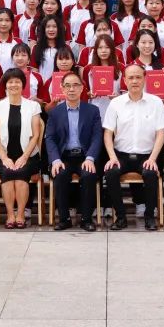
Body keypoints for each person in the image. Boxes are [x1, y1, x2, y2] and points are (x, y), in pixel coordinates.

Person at [102, 63, 164, 231]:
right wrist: (112, 157)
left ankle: (149, 216)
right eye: (130, 77)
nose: (134, 81)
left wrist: (153, 158)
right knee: (110, 173)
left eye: (138, 77)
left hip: (147, 155)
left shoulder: (156, 102)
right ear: (124, 80)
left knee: (150, 173)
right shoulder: (116, 103)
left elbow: (161, 133)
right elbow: (108, 133)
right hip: (121, 155)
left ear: (145, 79)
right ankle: (121, 217)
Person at [46, 71, 103, 231]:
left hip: (85, 156)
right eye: (68, 86)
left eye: (75, 85)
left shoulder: (92, 110)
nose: (71, 89)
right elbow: (50, 138)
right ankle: (64, 219)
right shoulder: (55, 112)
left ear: (82, 88)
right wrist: (55, 160)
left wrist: (90, 158)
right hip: (64, 157)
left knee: (89, 175)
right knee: (60, 174)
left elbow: (97, 137)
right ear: (62, 88)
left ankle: (86, 219)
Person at [0, 68, 44, 228]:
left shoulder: (33, 106)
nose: (14, 84)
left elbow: (35, 135)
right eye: (10, 82)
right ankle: (10, 215)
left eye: (17, 82)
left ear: (23, 84)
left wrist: (24, 157)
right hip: (3, 155)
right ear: (5, 85)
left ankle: (20, 214)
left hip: (28, 155)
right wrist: (4, 158)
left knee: (20, 173)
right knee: (7, 172)